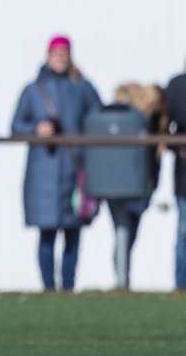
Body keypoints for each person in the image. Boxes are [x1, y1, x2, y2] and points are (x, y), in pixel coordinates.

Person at [10, 36, 103, 292]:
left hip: (75, 171)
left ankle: (69, 287)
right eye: (56, 53)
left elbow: (99, 119)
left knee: (74, 234)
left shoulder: (83, 88)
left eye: (65, 53)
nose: (60, 57)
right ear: (48, 55)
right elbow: (16, 126)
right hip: (44, 173)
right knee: (47, 234)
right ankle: (49, 288)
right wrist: (36, 129)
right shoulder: (32, 90)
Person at [99, 83, 166, 289]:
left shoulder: (152, 121)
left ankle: (122, 280)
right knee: (123, 230)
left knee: (127, 233)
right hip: (123, 183)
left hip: (138, 185)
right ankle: (121, 281)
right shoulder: (124, 117)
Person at [166, 66, 186, 290]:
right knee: (184, 233)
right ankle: (181, 286)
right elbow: (166, 127)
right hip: (184, 175)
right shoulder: (177, 85)